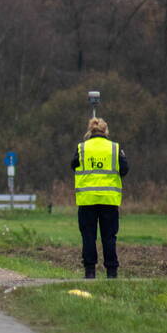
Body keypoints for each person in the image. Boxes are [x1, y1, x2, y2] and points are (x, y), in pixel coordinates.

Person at [72, 117, 129, 279]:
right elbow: (124, 169)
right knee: (109, 237)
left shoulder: (82, 148)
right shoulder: (115, 148)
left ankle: (90, 271)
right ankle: (112, 272)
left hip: (87, 199)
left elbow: (73, 165)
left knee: (88, 236)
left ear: (90, 131)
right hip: (109, 199)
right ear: (106, 131)